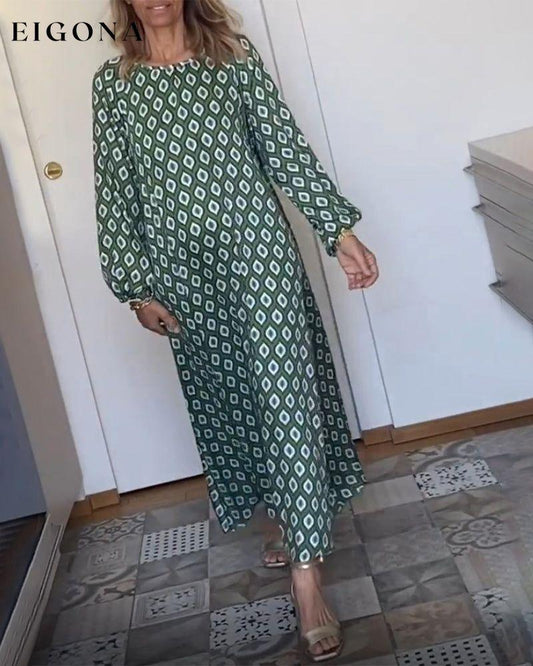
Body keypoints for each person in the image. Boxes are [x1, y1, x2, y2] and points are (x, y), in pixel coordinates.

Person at [91, 0, 379, 660]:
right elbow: (115, 191)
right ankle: (285, 512)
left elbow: (285, 151)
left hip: (260, 254)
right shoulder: (114, 85)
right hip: (182, 273)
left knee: (286, 396)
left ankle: (307, 579)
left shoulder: (233, 60)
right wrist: (136, 287)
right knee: (236, 400)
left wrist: (338, 232)